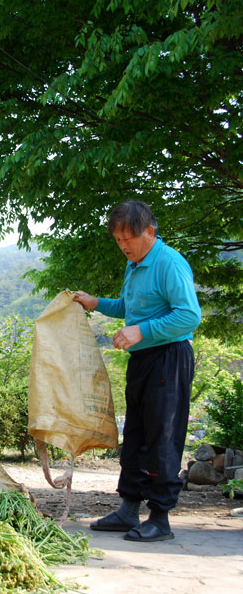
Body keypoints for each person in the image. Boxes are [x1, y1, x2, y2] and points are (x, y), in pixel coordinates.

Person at [73, 200, 201, 542]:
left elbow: (189, 316)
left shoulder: (169, 263)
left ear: (150, 232)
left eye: (129, 237)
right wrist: (96, 302)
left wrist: (141, 331)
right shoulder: (135, 265)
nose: (124, 246)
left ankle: (160, 518)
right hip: (143, 360)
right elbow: (130, 308)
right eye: (118, 240)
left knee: (162, 436)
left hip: (169, 358)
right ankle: (129, 510)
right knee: (137, 436)